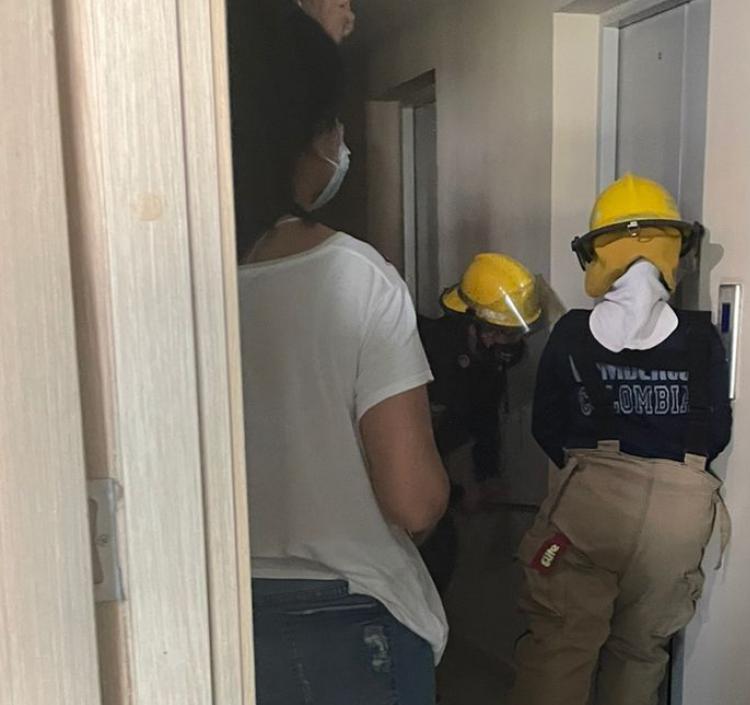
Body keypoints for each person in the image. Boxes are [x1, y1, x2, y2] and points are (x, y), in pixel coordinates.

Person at [228, 2, 447, 703]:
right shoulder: (356, 276)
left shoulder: (173, 275)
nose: (340, 143)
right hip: (350, 626)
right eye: (333, 122)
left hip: (214, 610)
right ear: (304, 135)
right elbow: (413, 501)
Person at [510, 174, 733, 705]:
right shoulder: (701, 337)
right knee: (640, 653)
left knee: (562, 644)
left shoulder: (570, 334)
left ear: (597, 252)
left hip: (591, 504)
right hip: (680, 512)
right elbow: (716, 431)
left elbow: (547, 424)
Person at [416, 253, 544, 592]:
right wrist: (459, 495)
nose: (508, 345)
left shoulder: (485, 362)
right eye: (501, 333)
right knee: (435, 556)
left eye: (515, 334)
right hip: (399, 486)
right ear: (473, 322)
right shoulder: (429, 355)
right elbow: (413, 451)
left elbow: (484, 416)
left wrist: (488, 475)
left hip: (436, 474)